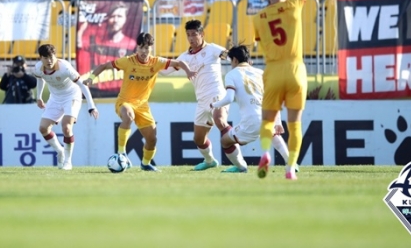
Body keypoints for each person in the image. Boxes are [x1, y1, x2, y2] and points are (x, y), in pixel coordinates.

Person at [253, 0, 336, 180]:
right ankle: (290, 168)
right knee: (295, 124)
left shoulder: (258, 18)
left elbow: (260, 45)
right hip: (297, 70)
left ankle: (266, 152)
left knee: (268, 121)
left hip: (273, 70)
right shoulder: (295, 3)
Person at [84, 32, 196, 172]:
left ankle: (145, 163)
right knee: (128, 115)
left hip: (143, 105)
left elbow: (179, 63)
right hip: (124, 101)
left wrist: (189, 71)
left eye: (147, 48)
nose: (144, 51)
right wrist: (91, 78)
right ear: (137, 48)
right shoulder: (128, 61)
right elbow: (104, 66)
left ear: (151, 48)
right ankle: (121, 152)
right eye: (141, 48)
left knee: (152, 138)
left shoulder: (156, 62)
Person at [159, 19, 231, 171]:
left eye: (194, 34)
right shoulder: (184, 57)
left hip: (217, 95)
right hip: (202, 101)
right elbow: (165, 72)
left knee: (220, 120)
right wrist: (149, 65)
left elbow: (228, 55)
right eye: (188, 35)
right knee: (198, 139)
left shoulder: (212, 49)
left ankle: (240, 163)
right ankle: (210, 161)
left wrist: (241, 60)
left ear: (202, 34)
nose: (191, 38)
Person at [210, 45, 292, 172]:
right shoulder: (261, 73)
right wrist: (278, 122)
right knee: (272, 133)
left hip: (251, 121)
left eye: (231, 60)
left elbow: (229, 98)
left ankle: (240, 167)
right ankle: (291, 163)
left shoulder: (231, 74)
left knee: (225, 141)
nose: (231, 63)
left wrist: (214, 105)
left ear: (235, 60)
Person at [33, 44, 99, 170]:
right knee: (43, 128)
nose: (49, 60)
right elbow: (40, 79)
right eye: (46, 58)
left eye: (51, 57)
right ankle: (60, 151)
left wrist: (91, 106)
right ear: (41, 58)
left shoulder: (65, 68)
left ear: (55, 56)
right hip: (55, 97)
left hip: (72, 96)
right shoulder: (38, 68)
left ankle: (68, 162)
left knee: (67, 128)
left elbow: (83, 85)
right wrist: (39, 97)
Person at [77, 2, 137, 93]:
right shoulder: (97, 42)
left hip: (123, 93)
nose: (115, 20)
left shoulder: (132, 44)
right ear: (108, 19)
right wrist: (80, 32)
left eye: (119, 16)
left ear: (125, 19)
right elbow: (80, 45)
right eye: (113, 16)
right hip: (98, 93)